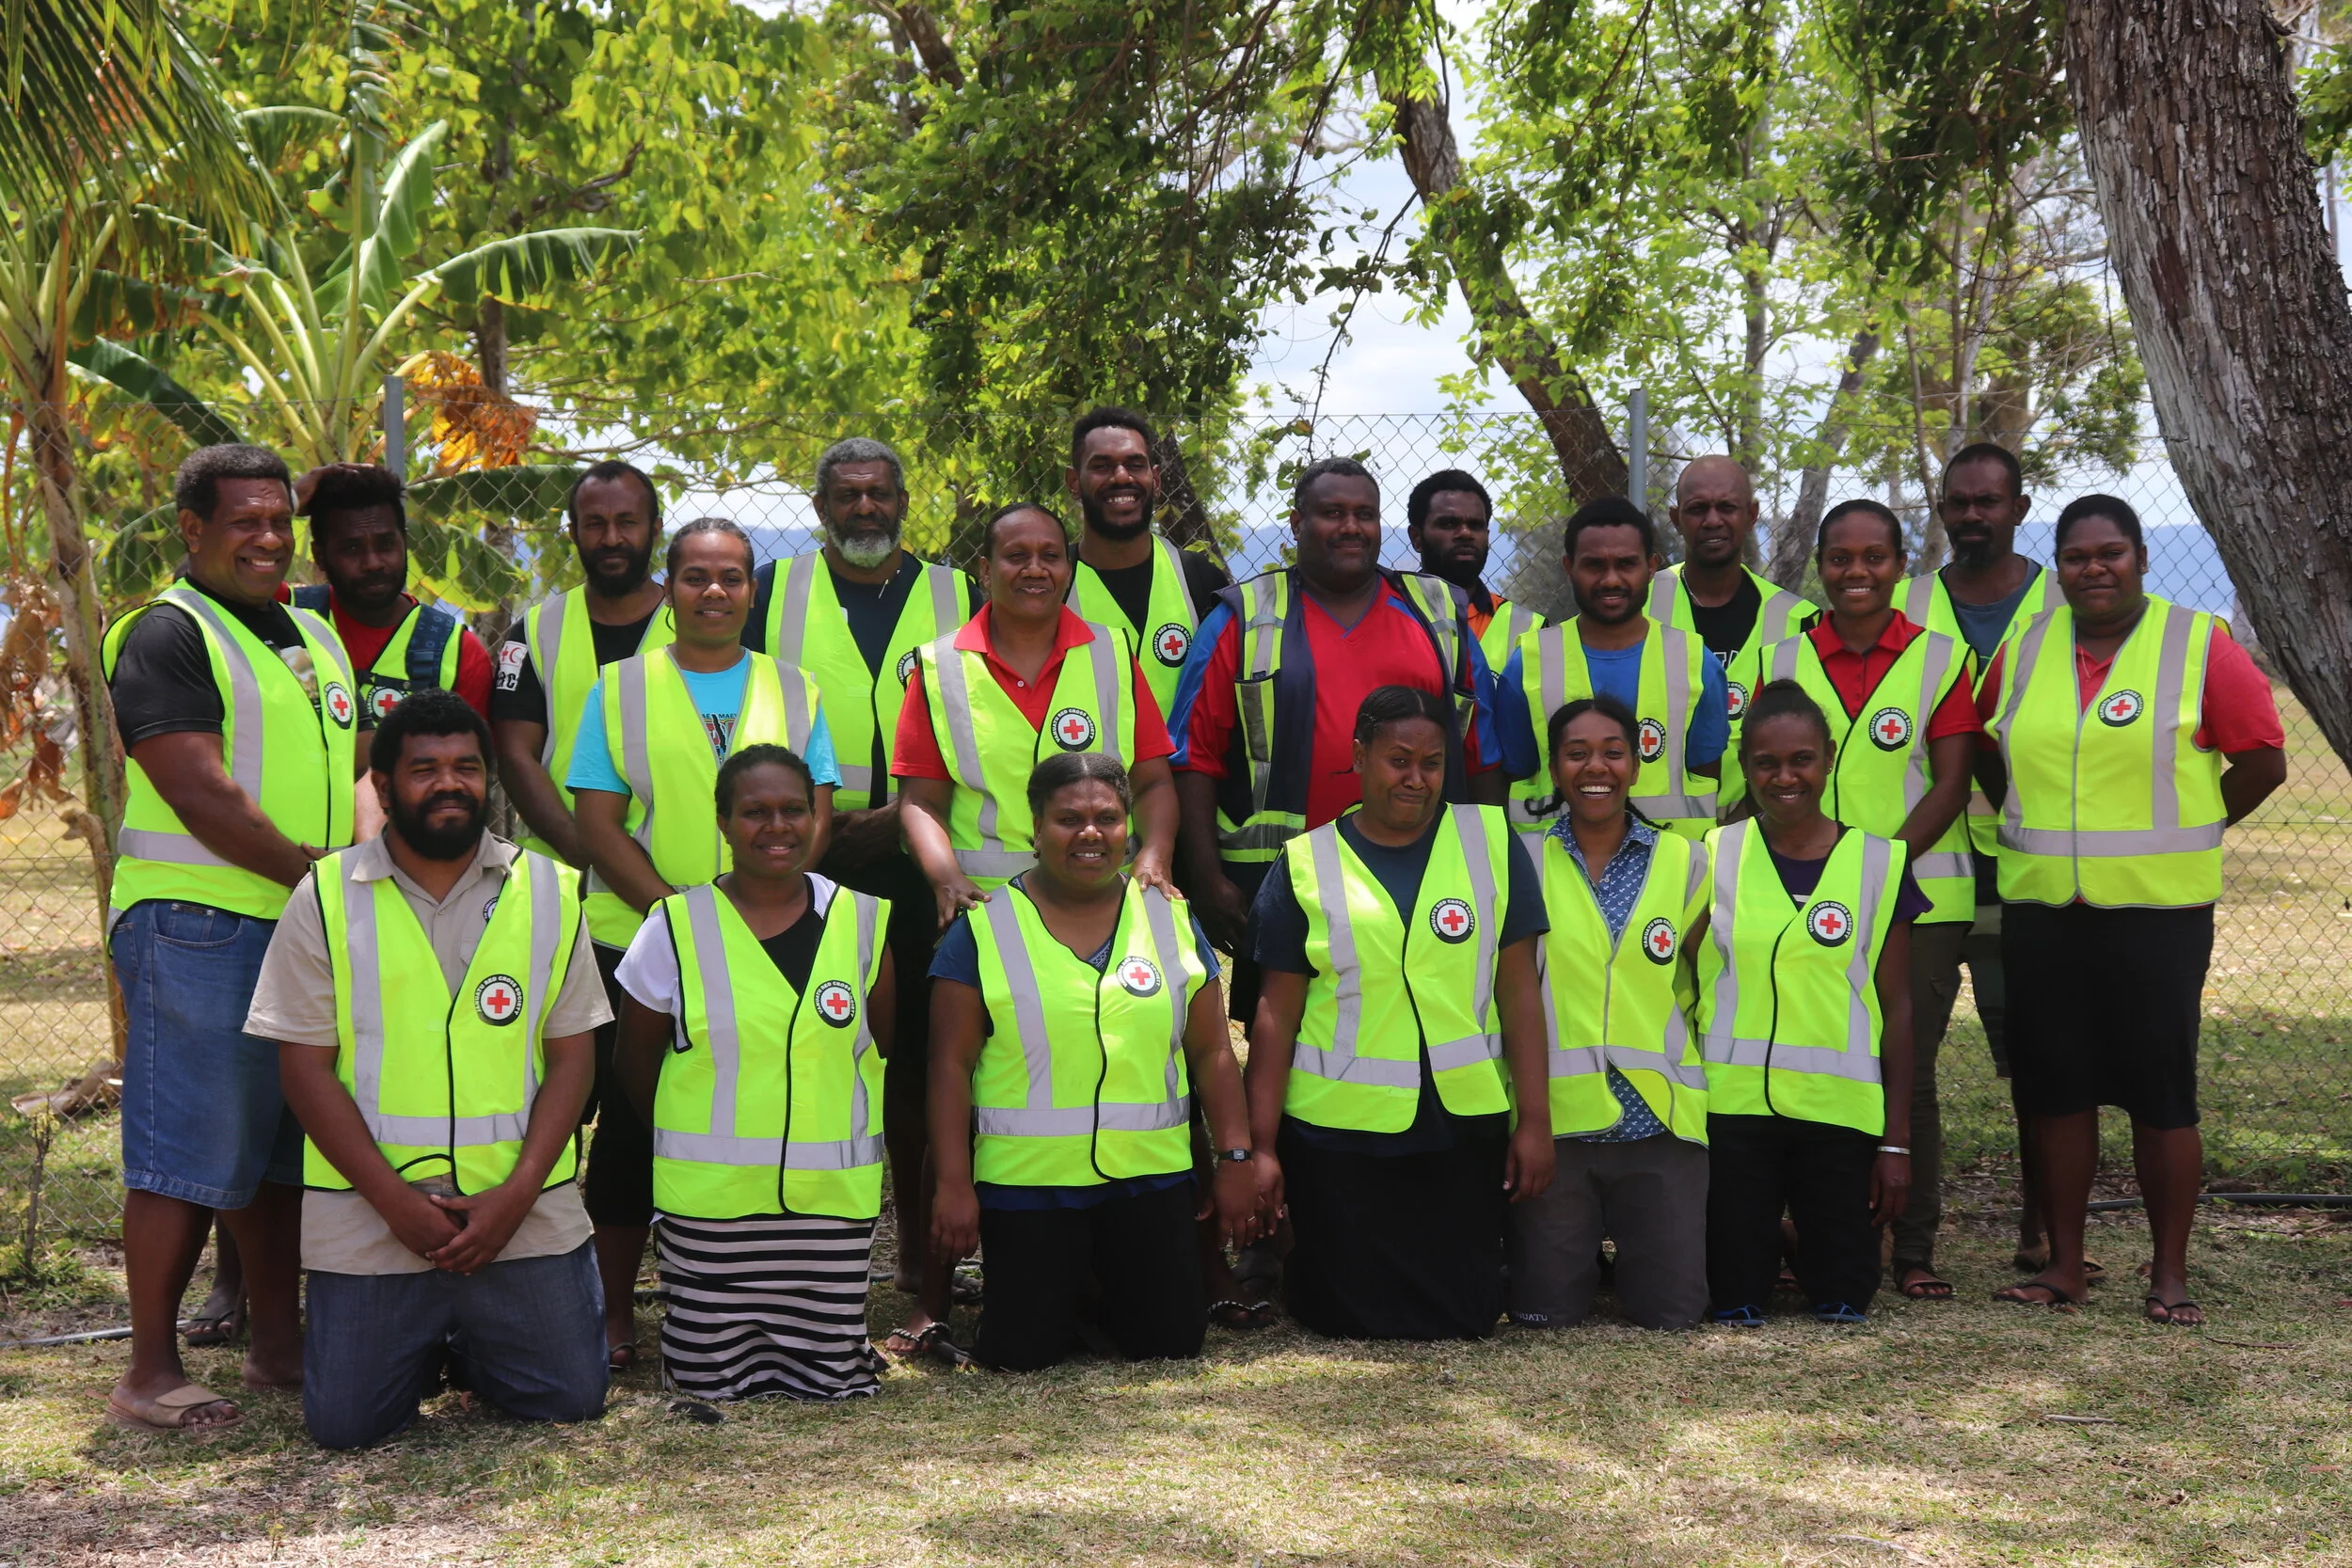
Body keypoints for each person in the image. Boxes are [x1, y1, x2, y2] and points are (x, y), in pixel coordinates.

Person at [257, 691, 608, 1449]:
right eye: (424, 769)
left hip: (521, 1212)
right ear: (382, 787)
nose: (450, 784)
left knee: (571, 1398)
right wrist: (394, 1202)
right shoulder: (322, 897)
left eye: (466, 767)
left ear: (489, 780)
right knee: (348, 1427)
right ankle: (437, 1338)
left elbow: (574, 1059)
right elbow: (305, 1072)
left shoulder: (549, 890)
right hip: (372, 1213)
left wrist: (515, 1196)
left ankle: (466, 1342)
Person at [99, 443, 358, 1433]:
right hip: (196, 918)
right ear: (191, 527)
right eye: (242, 519)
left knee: (278, 1144)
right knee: (186, 1144)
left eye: (277, 518)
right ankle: (150, 1369)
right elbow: (198, 788)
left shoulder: (308, 630)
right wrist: (323, 881)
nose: (266, 536)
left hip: (297, 919)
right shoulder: (166, 633)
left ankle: (277, 1347)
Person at [1979, 497, 2284, 1323]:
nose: (2093, 568)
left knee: (2161, 1093)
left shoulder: (2197, 644)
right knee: (2059, 1091)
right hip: (2046, 910)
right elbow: (1985, 747)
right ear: (2061, 566)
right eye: (2076, 556)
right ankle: (2067, 1266)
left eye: (2110, 553)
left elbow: (2262, 758)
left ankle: (2169, 1273)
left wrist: (2196, 824)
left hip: (2157, 914)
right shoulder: (2028, 646)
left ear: (2142, 558)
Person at [569, 515, 839, 1368]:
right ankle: (615, 1313)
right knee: (631, 1122)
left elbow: (814, 810)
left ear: (752, 590)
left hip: (771, 936)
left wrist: (753, 909)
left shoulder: (797, 690)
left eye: (732, 577)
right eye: (696, 577)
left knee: (748, 1112)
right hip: (638, 941)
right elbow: (597, 823)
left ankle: (753, 1297)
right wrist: (680, 919)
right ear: (670, 587)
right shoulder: (619, 689)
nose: (714, 592)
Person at [744, 436, 976, 1360]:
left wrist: (900, 820)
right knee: (815, 1057)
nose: (865, 509)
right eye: (847, 494)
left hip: (932, 859)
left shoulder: (959, 593)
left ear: (905, 500)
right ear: (819, 503)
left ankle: (926, 1274)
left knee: (922, 1065)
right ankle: (797, 1272)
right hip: (810, 860)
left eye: (880, 493)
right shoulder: (773, 591)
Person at [1243, 686, 1553, 1340]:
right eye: (1399, 759)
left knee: (1466, 1316)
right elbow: (1275, 1014)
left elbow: (1520, 992)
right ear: (1360, 754)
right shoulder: (1304, 863)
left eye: (1433, 762)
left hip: (1460, 1128)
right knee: (1341, 1317)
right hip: (1339, 1134)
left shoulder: (1492, 842)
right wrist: (1260, 1147)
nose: (1416, 778)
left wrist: (1535, 1121)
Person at [928, 753, 1256, 1370]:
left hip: (1150, 1180)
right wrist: (953, 1181)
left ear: (1128, 826)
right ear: (1035, 827)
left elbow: (1212, 1050)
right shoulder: (982, 932)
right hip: (1029, 1187)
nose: (1089, 832)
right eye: (1068, 818)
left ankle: (1099, 1295)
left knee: (1170, 1343)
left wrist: (1236, 1154)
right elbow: (949, 1067)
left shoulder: (1173, 920)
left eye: (1107, 817)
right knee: (1019, 1355)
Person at [1729, 499, 1979, 1300]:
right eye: (1840, 558)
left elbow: (1952, 782)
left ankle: (1912, 1247)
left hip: (1921, 895)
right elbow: (1756, 770)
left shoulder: (1941, 658)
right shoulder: (1783, 657)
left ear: (1901, 564)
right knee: (1808, 1058)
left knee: (1907, 1068)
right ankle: (1805, 1230)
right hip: (1797, 896)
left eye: (1875, 556)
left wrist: (1876, 874)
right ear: (1820, 568)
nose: (1857, 572)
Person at [612, 744, 897, 1401]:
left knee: (831, 1383)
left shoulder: (864, 921)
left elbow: (881, 1047)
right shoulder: (672, 927)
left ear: (817, 817)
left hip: (830, 1210)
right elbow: (633, 1069)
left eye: (794, 809)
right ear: (722, 821)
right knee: (711, 1381)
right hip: (710, 1213)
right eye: (755, 811)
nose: (778, 825)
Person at [1698, 681, 1921, 1326]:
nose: (1784, 776)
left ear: (1828, 758)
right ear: (1745, 767)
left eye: (1801, 759)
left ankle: (1809, 1242)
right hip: (1735, 1110)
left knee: (1843, 1295)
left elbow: (1898, 1008)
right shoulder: (1715, 856)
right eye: (1766, 763)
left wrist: (1897, 1143)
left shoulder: (1879, 861)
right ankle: (1763, 1243)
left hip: (1837, 1112)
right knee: (1735, 1295)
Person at [1508, 696, 1712, 1332]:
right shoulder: (1519, 862)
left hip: (1660, 1125)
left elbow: (1705, 990)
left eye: (1613, 751)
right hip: (1555, 1131)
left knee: (1673, 1316)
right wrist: (1530, 1123)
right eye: (1577, 753)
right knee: (1545, 1317)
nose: (1596, 767)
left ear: (1637, 761)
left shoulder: (1690, 862)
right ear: (1555, 768)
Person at [1900, 442, 2053, 1271]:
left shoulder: (2065, 599)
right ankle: (1890, 1215)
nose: (1971, 516)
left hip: (2027, 863)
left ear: (2019, 509)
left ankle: (2043, 1223)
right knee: (1900, 1049)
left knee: (2032, 1051)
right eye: (1958, 502)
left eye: (1988, 501)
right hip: (1924, 863)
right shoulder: (1906, 602)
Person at [896, 502, 1180, 916]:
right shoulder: (941, 668)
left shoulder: (1113, 656)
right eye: (1016, 556)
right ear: (986, 571)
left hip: (1107, 898)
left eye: (1050, 556)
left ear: (1067, 571)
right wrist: (947, 880)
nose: (1035, 569)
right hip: (986, 905)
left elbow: (1154, 783)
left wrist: (1155, 854)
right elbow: (920, 803)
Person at [1498, 497, 1728, 846]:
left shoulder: (1696, 662)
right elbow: (1514, 777)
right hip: (1553, 876)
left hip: (1670, 878)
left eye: (1626, 564)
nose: (1610, 579)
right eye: (1594, 565)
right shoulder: (1528, 663)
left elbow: (1706, 777)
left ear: (1651, 567)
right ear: (1568, 567)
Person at [492, 460, 675, 867]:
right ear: (573, 532)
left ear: (655, 529)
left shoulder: (691, 628)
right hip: (561, 873)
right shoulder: (536, 632)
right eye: (595, 524)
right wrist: (584, 848)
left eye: (627, 522)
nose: (612, 538)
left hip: (671, 866)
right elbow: (515, 756)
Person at [1061, 407, 1232, 715]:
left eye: (1134, 464)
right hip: (1088, 763)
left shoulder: (1201, 580)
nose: (1121, 477)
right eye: (1102, 466)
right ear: (1074, 482)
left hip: (1189, 764)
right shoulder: (1055, 584)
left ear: (1155, 479)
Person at [293, 463, 494, 721]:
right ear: (320, 556)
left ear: (405, 543)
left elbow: (473, 758)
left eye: (385, 544)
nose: (373, 562)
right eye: (352, 548)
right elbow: (226, 559)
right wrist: (289, 499)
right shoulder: (284, 613)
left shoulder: (457, 652)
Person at [1649, 455, 1815, 700]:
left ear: (1751, 515)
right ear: (1676, 520)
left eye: (1727, 507)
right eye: (1697, 509)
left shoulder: (1799, 620)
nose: (1713, 521)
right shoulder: (1641, 604)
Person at [1406, 467, 1541, 671]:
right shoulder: (1388, 614)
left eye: (1476, 525)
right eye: (1449, 523)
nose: (1465, 533)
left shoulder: (1530, 629)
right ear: (1416, 537)